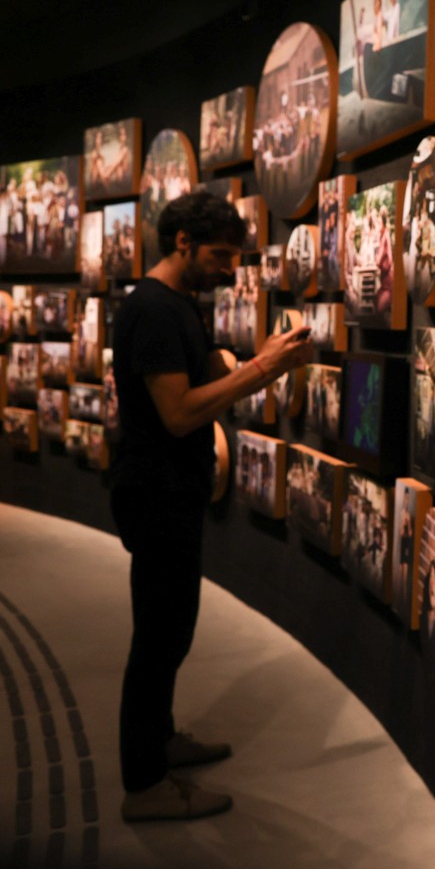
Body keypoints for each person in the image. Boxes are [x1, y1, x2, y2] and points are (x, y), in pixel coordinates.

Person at [111, 191, 314, 821]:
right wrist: (260, 368)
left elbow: (185, 382)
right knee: (159, 636)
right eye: (221, 255)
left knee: (171, 630)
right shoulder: (152, 309)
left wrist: (221, 363)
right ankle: (145, 784)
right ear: (183, 244)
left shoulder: (172, 306)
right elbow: (176, 414)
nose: (231, 269)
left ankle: (161, 739)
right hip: (157, 494)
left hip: (172, 492)